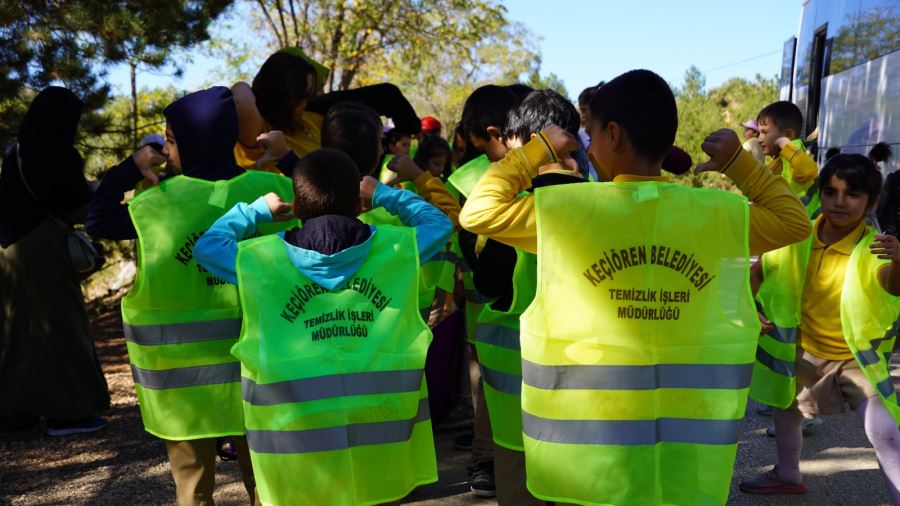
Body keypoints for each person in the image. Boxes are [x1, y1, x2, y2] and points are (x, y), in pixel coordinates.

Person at [459, 69, 811, 505]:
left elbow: (479, 214)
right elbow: (794, 221)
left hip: (587, 452)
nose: (584, 145)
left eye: (588, 134)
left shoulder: (568, 211)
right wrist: (741, 165)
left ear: (613, 134)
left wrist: (538, 150)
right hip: (680, 454)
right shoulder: (716, 213)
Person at [192, 148, 452, 505]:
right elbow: (439, 223)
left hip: (293, 452)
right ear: (359, 204)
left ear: (296, 207)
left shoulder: (259, 260)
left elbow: (207, 247)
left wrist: (254, 211)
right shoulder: (396, 249)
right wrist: (383, 194)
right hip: (381, 448)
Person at [86, 87, 296, 506]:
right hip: (260, 370)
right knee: (269, 484)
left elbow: (97, 219)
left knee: (192, 490)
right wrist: (287, 156)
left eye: (171, 139)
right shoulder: (272, 190)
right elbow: (328, 196)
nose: (165, 147)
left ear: (190, 142)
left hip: (183, 383)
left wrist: (130, 168)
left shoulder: (152, 206)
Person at [742, 154, 900, 502]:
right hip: (803, 351)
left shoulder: (874, 246)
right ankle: (787, 474)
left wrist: (899, 260)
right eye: (831, 192)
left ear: (872, 201)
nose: (840, 202)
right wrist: (749, 309)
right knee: (787, 411)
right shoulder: (796, 237)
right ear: (822, 194)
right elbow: (757, 272)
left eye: (853, 194)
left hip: (854, 359)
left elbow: (892, 286)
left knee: (885, 434)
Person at [0, 86, 110, 435]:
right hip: (43, 247)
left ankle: (15, 411)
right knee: (63, 329)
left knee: (17, 331)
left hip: (9, 248)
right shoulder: (58, 152)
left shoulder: (16, 151)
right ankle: (70, 413)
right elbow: (74, 205)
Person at [231, 49, 420, 171]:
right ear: (282, 97)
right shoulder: (258, 135)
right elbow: (241, 98)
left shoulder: (311, 118)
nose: (310, 100)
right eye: (303, 95)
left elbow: (386, 95)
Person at [757, 101, 820, 216]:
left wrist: (784, 144)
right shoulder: (782, 157)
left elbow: (808, 171)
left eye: (764, 132)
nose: (759, 139)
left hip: (806, 222)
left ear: (788, 135)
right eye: (759, 133)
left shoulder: (792, 151)